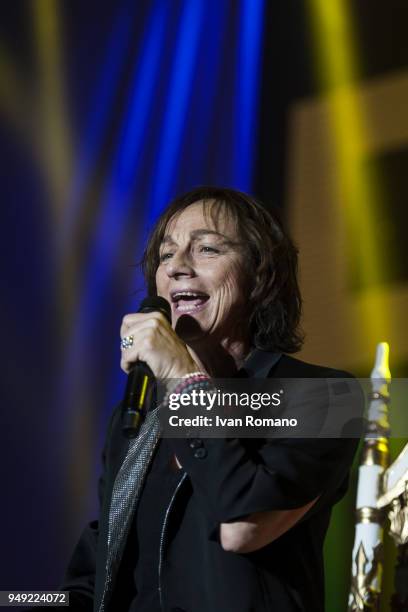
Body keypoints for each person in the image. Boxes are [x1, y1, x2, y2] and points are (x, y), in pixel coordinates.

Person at [58, 186, 362, 611]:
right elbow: (94, 581)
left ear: (260, 275)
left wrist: (182, 378)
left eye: (206, 249)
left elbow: (242, 524)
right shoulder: (140, 417)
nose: (178, 267)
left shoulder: (326, 397)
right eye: (166, 255)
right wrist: (16, 596)